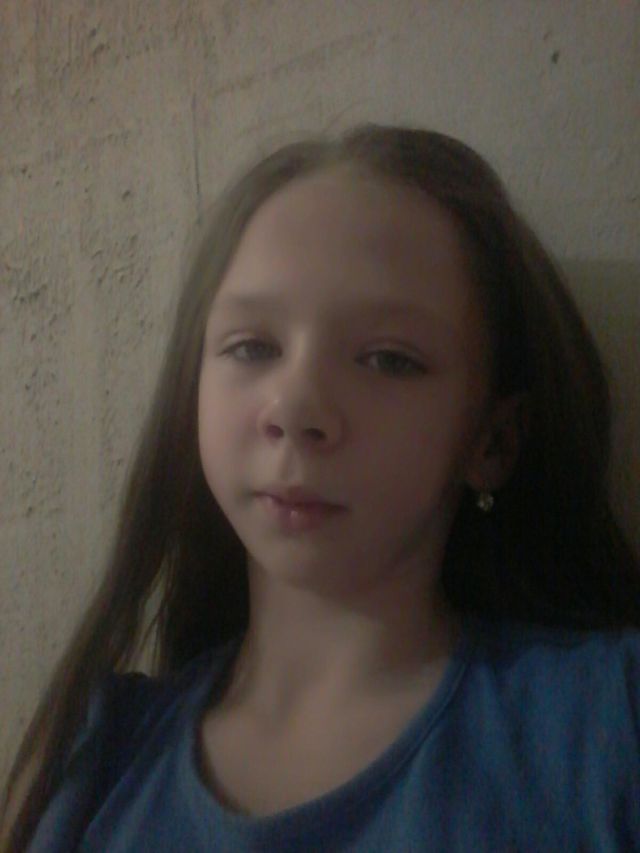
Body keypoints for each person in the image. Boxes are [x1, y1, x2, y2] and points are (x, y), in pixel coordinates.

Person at [2, 124, 639, 852]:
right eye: (252, 346)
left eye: (388, 359)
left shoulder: (608, 723)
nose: (296, 408)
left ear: (492, 441)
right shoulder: (92, 753)